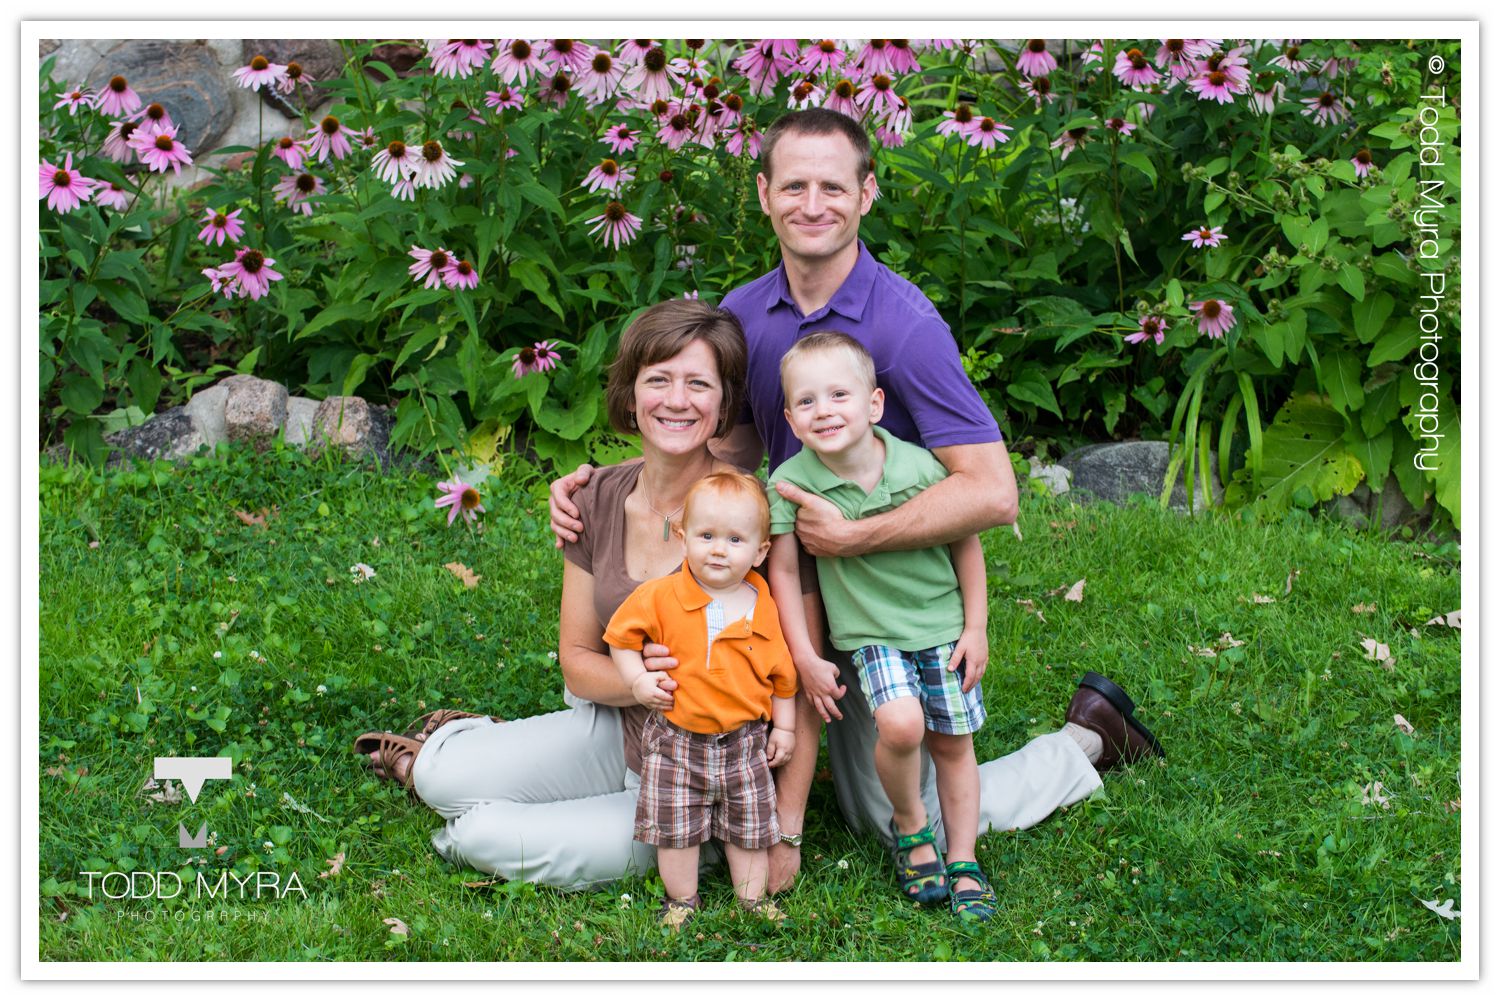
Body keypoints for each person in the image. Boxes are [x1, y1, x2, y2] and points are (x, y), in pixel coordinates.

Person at [549, 109, 1165, 892]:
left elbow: (994, 492)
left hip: (886, 603)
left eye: (833, 186)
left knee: (899, 815)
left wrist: (857, 537)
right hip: (789, 584)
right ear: (765, 194)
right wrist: (604, 486)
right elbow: (721, 444)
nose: (813, 204)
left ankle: (1082, 743)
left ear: (867, 194)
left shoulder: (904, 328)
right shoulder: (743, 311)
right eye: (794, 185)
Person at [354, 298, 776, 890]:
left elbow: (795, 679)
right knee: (438, 780)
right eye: (658, 380)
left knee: (480, 835)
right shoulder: (594, 497)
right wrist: (637, 682)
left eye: (698, 384)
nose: (677, 401)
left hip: (700, 775)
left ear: (725, 402)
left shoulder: (749, 516)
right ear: (630, 393)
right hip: (611, 725)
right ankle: (464, 739)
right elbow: (578, 663)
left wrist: (788, 832)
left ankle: (683, 843)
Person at [767, 332, 995, 922]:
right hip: (872, 635)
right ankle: (912, 826)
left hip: (942, 626)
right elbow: (785, 573)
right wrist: (805, 656)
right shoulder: (791, 482)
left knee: (952, 744)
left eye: (839, 394)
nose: (825, 411)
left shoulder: (919, 467)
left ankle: (964, 858)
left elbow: (965, 544)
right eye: (808, 402)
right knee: (899, 724)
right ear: (791, 419)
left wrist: (977, 627)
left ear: (874, 404)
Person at [606, 471, 798, 927]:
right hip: (676, 742)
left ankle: (752, 901)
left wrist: (785, 726)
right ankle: (681, 901)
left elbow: (781, 675)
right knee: (675, 831)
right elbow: (620, 637)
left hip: (745, 743)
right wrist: (636, 680)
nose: (718, 548)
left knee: (749, 827)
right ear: (682, 537)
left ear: (761, 551)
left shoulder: (762, 602)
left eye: (735, 539)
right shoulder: (661, 595)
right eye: (706, 535)